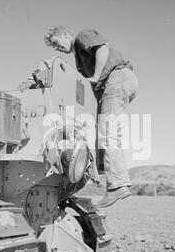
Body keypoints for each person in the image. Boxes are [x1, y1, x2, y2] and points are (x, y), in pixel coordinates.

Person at [44, 26, 139, 208]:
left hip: (116, 78)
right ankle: (113, 178)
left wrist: (95, 76)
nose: (57, 48)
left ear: (65, 34)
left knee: (109, 133)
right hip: (121, 81)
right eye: (54, 48)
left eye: (57, 43)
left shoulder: (82, 36)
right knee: (106, 131)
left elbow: (102, 47)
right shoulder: (79, 58)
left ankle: (117, 184)